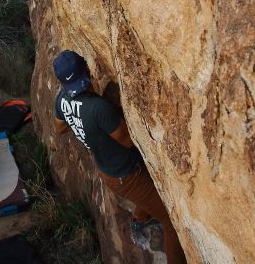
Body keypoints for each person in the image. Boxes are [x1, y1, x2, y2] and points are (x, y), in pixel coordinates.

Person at [52, 50, 187, 264]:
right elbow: (128, 141)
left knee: (148, 191)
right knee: (172, 223)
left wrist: (79, 122)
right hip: (126, 174)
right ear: (86, 70)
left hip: (111, 170)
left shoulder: (62, 99)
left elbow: (59, 128)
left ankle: (140, 219)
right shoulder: (98, 108)